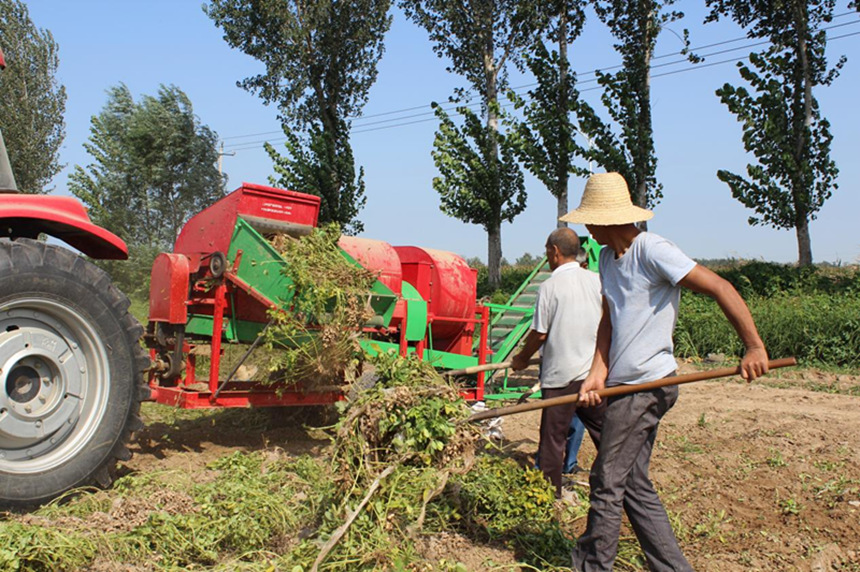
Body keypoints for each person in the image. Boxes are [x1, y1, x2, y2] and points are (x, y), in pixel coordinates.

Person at [561, 172, 769, 572]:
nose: (585, 226)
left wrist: (754, 346)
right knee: (633, 485)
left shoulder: (652, 250)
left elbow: (720, 287)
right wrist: (596, 374)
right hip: (622, 385)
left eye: (589, 218)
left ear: (607, 219)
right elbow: (609, 318)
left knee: (606, 483)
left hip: (647, 385)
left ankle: (590, 567)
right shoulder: (606, 258)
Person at [510, 227, 603, 497]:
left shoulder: (550, 286)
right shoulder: (596, 281)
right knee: (606, 434)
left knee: (552, 439)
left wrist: (521, 359)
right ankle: (617, 481)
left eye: (547, 252)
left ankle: (550, 494)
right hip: (591, 376)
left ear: (555, 251)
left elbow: (540, 333)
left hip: (560, 376)